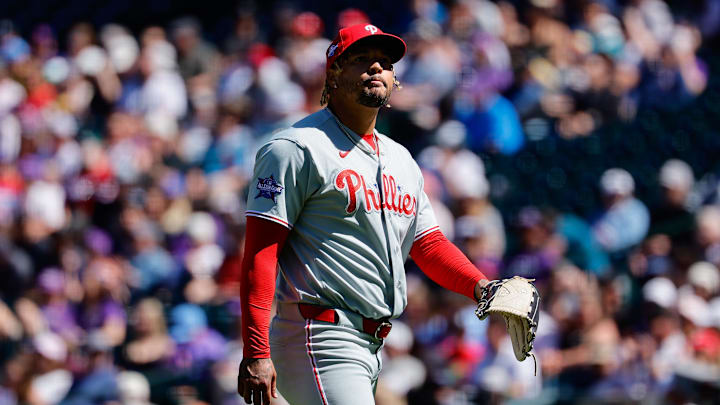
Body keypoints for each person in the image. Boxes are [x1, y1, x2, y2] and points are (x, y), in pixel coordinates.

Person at [237, 23, 495, 405]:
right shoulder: (296, 147)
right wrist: (256, 352)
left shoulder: (401, 159)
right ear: (333, 75)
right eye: (361, 59)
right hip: (319, 335)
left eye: (385, 62)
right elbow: (261, 253)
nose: (376, 67)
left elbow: (428, 244)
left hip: (373, 345)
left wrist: (484, 288)